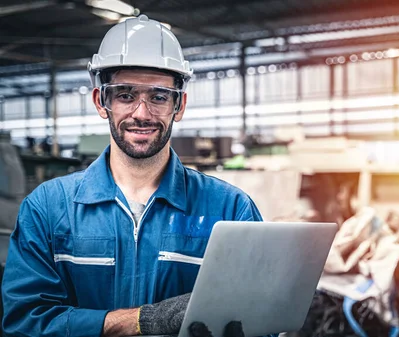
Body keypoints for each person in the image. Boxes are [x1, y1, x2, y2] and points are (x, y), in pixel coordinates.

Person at [1, 15, 277, 337]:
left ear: (180, 105)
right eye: (125, 95)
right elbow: (24, 323)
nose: (142, 113)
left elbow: (262, 320)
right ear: (101, 102)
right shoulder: (47, 209)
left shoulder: (231, 210)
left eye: (159, 97)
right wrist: (140, 320)